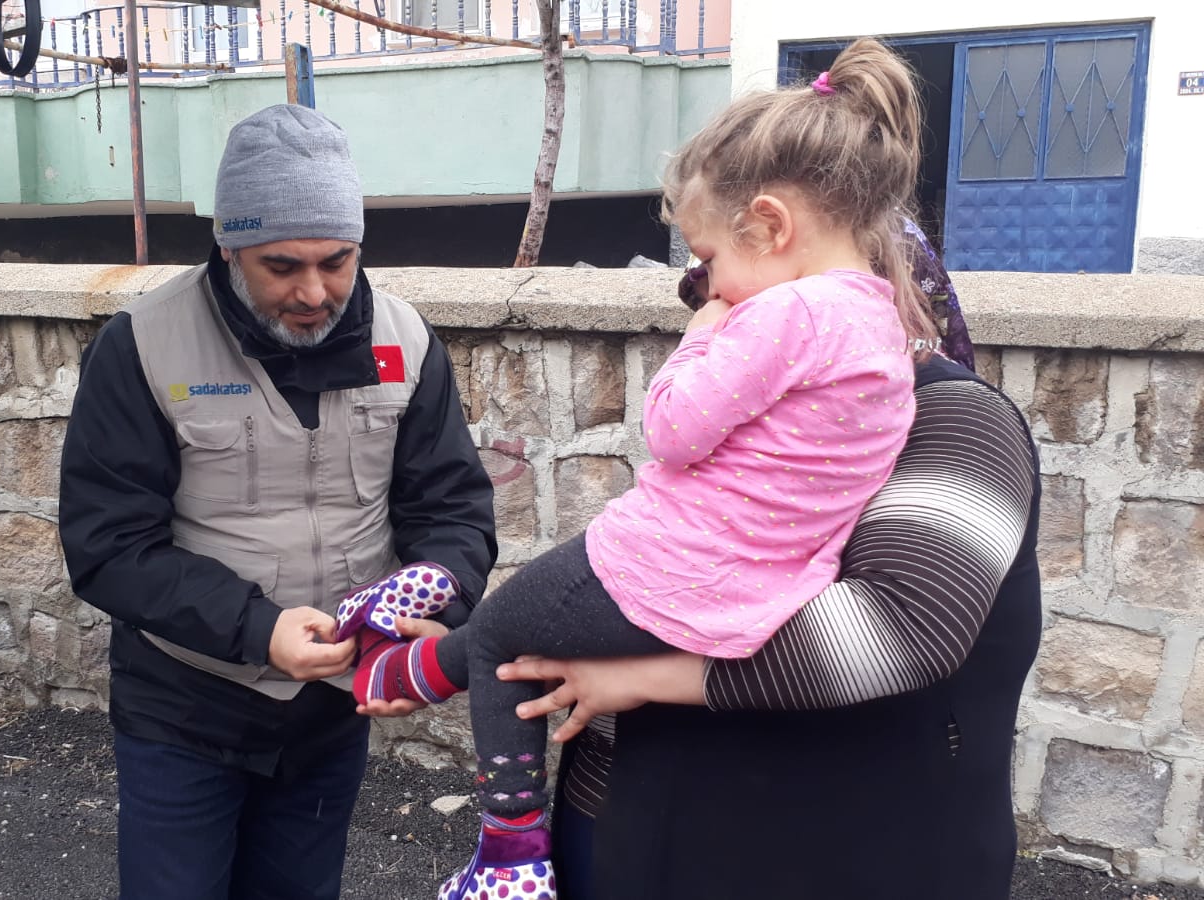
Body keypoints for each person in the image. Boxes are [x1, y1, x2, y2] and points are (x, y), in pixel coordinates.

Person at [337, 38, 934, 897]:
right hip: (758, 592)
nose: (708, 283)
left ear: (772, 225)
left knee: (502, 628)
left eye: (709, 259)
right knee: (524, 623)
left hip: (664, 570)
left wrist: (701, 337)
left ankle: (509, 853)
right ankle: (402, 667)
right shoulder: (880, 325)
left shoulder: (789, 314)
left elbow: (674, 431)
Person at [502, 224, 1039, 900]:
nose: (717, 313)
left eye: (726, 288)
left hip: (841, 846)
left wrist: (641, 678)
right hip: (642, 816)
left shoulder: (958, 420)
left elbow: (897, 630)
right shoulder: (764, 411)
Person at [57, 104, 497, 900]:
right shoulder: (143, 346)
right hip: (183, 711)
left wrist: (438, 611)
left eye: (337, 261)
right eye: (282, 266)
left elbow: (452, 509)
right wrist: (258, 630)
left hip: (329, 715)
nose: (314, 292)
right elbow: (109, 547)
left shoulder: (406, 342)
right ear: (229, 246)